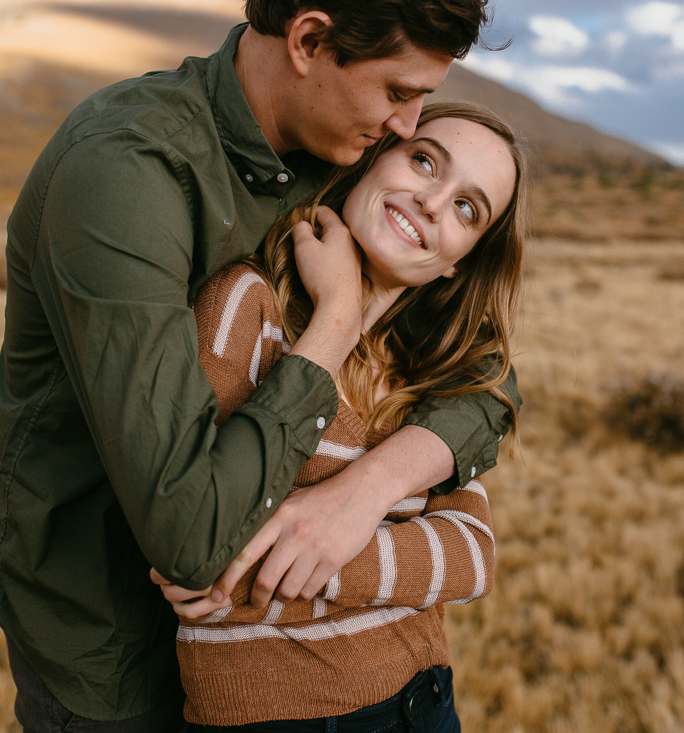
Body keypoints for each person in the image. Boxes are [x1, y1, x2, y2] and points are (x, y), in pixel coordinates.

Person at [0, 2, 520, 731]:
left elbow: (487, 383)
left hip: (309, 670)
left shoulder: (334, 156)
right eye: (397, 93)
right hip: (111, 638)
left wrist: (365, 491)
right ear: (309, 39)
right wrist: (332, 324)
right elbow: (195, 541)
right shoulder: (126, 171)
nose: (408, 125)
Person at [166, 101, 524, 731]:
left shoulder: (428, 372)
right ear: (372, 159)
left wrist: (329, 542)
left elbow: (473, 554)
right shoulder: (247, 308)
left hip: (426, 703)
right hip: (278, 717)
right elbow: (198, 550)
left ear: (458, 261)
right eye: (423, 161)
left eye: (468, 208)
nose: (433, 203)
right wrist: (336, 311)